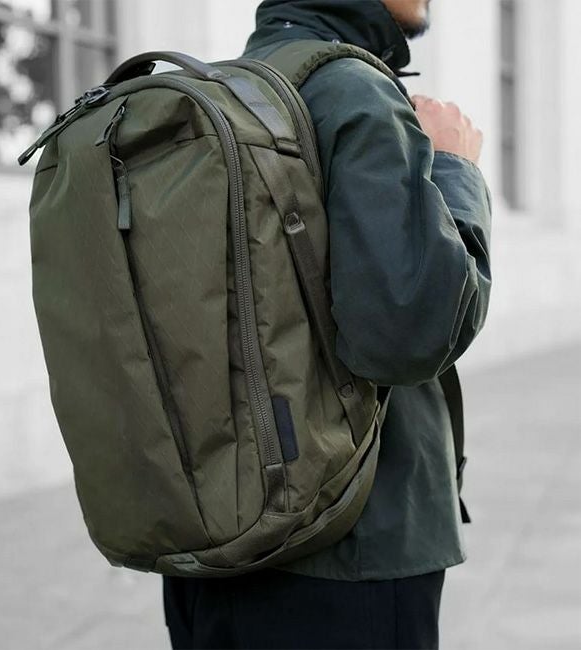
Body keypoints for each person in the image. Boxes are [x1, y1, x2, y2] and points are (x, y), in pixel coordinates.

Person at [163, 0, 492, 648]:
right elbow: (414, 331)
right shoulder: (352, 91)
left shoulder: (223, 87)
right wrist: (456, 170)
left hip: (212, 543)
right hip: (349, 548)